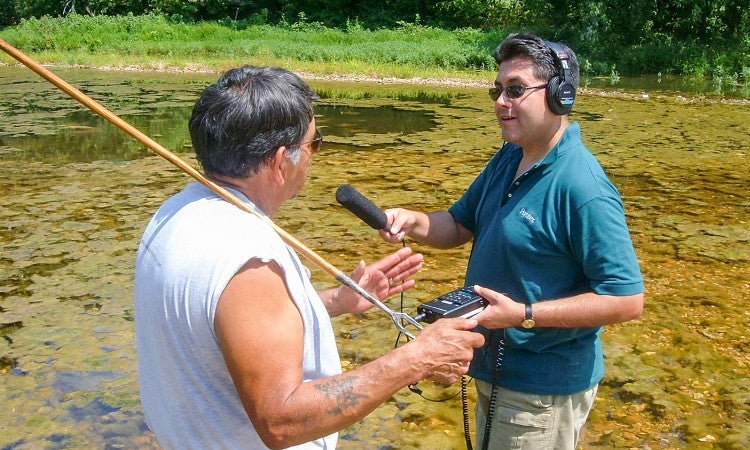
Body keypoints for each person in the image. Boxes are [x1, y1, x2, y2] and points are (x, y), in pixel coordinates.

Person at [133, 65, 485, 449]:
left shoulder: (176, 212)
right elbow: (281, 421)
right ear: (282, 159)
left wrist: (336, 301)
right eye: (315, 143)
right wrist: (416, 359)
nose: (315, 154)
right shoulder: (247, 256)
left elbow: (224, 320)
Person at [378, 33, 644, 449]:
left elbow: (626, 300)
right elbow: (457, 225)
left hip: (541, 391)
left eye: (515, 90)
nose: (501, 101)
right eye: (497, 90)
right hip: (494, 367)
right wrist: (411, 220)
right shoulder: (510, 154)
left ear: (560, 96)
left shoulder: (582, 187)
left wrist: (524, 313)